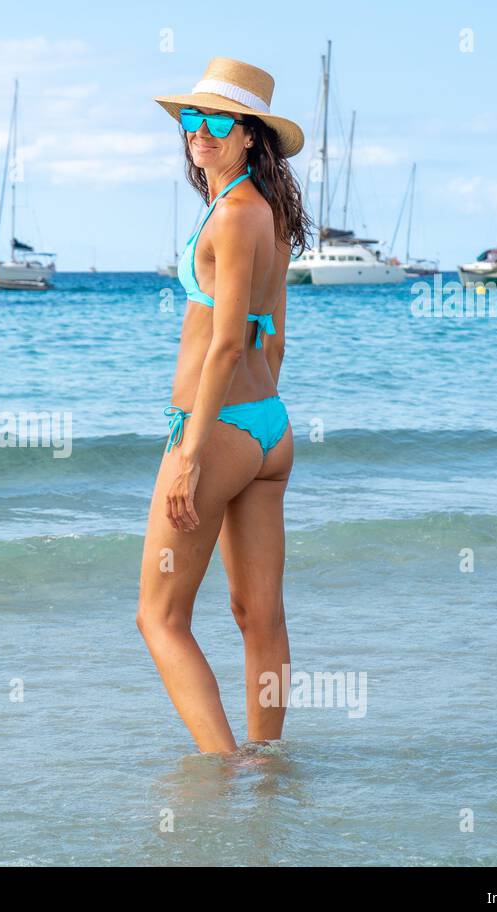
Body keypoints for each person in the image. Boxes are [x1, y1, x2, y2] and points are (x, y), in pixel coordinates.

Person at [137, 58, 311, 753]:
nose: (198, 133)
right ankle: (267, 768)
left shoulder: (237, 215)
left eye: (217, 121)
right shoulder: (266, 215)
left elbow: (229, 347)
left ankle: (223, 766)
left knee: (159, 618)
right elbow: (276, 339)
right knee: (258, 613)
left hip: (219, 434)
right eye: (191, 118)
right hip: (269, 431)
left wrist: (190, 455)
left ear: (249, 137)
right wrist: (253, 420)